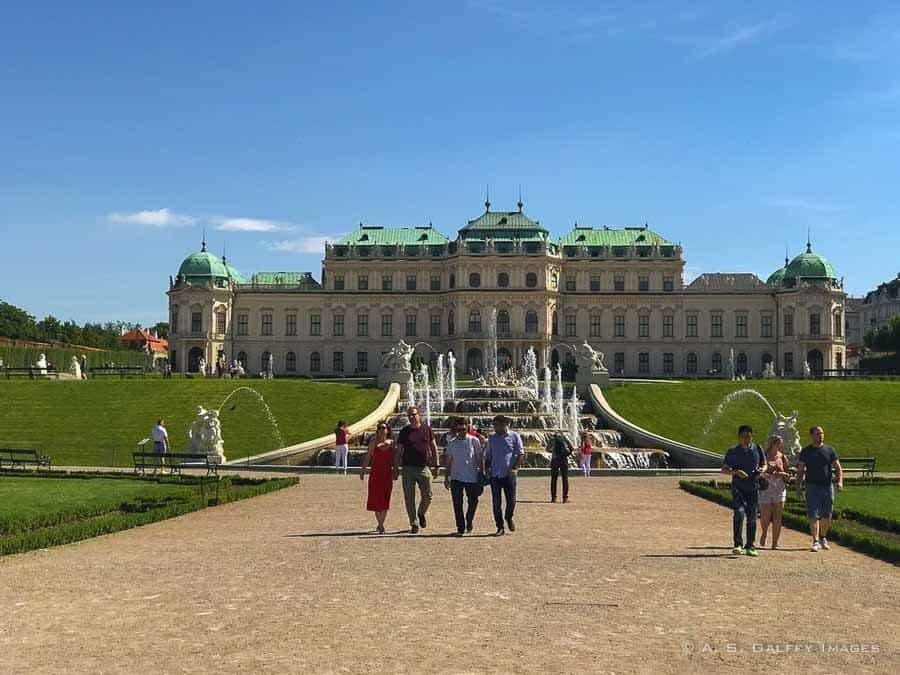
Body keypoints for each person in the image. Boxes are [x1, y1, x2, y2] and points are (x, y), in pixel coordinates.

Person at [796, 426, 844, 552]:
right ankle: (815, 540)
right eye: (818, 433)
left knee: (827, 515)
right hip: (811, 486)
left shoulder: (829, 450)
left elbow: (838, 467)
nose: (821, 435)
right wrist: (798, 486)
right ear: (812, 436)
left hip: (827, 486)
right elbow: (800, 470)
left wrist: (840, 481)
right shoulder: (806, 451)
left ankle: (823, 537)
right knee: (813, 514)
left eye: (822, 433)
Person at [722, 424, 765, 557]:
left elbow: (764, 464)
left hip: (753, 487)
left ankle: (750, 545)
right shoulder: (732, 451)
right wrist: (736, 472)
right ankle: (738, 544)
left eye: (748, 436)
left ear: (752, 436)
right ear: (738, 437)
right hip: (738, 487)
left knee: (752, 518)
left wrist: (762, 471)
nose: (746, 439)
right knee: (739, 514)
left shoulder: (758, 449)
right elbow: (724, 469)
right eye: (743, 437)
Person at [394, 406, 438, 534]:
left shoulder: (426, 429)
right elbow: (399, 451)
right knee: (409, 498)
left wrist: (436, 465)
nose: (412, 417)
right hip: (408, 468)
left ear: (419, 415)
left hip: (424, 467)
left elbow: (434, 447)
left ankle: (421, 513)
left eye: (414, 414)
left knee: (428, 496)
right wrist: (396, 468)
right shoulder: (404, 431)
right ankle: (413, 522)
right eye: (409, 415)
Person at [443, 417, 485, 535]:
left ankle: (469, 520)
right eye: (459, 427)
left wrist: (481, 473)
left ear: (467, 427)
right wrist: (447, 477)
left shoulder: (474, 441)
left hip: (472, 476)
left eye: (464, 427)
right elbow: (449, 462)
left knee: (473, 501)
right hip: (456, 477)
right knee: (457, 504)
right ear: (456, 428)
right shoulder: (452, 443)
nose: (462, 430)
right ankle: (460, 527)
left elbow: (479, 457)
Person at [485, 414, 524, 536]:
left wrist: (514, 468)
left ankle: (508, 517)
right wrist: (487, 468)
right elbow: (489, 455)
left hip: (509, 474)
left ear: (504, 425)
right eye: (494, 425)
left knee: (511, 501)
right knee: (496, 502)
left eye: (496, 425)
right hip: (495, 474)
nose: (494, 428)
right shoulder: (492, 438)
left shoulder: (514, 436)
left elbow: (521, 454)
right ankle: (500, 527)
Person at [360, 421, 394, 533]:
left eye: (384, 428)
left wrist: (397, 470)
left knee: (385, 498)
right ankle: (380, 524)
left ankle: (381, 524)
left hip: (387, 474)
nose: (382, 430)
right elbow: (368, 457)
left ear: (387, 430)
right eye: (380, 428)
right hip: (375, 474)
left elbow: (396, 458)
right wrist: (363, 470)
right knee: (375, 498)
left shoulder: (392, 443)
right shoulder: (373, 442)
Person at [758, 434, 789, 549]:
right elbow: (759, 472)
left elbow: (787, 474)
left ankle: (775, 542)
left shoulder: (783, 457)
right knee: (765, 516)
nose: (781, 445)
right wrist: (765, 475)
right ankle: (764, 532)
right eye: (779, 443)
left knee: (777, 516)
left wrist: (783, 475)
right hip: (766, 487)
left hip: (779, 488)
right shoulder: (764, 456)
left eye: (781, 443)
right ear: (773, 444)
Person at [548, 432, 573, 503]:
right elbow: (571, 448)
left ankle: (554, 498)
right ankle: (565, 498)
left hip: (555, 459)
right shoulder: (564, 438)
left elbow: (547, 449)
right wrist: (566, 454)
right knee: (565, 479)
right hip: (563, 459)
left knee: (554, 479)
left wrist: (553, 451)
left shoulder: (552, 439)